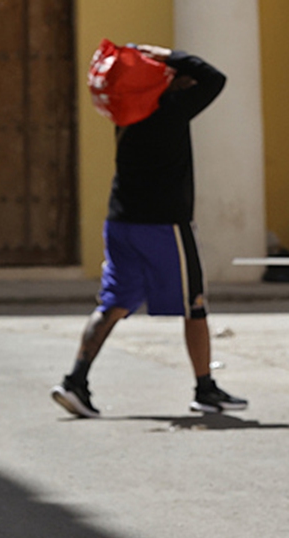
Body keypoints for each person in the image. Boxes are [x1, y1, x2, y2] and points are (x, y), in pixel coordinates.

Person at [52, 45, 247, 418]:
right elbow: (214, 78)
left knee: (113, 302)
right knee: (195, 303)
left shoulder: (126, 114)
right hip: (165, 226)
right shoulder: (169, 111)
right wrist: (166, 55)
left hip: (121, 222)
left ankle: (75, 380)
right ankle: (205, 389)